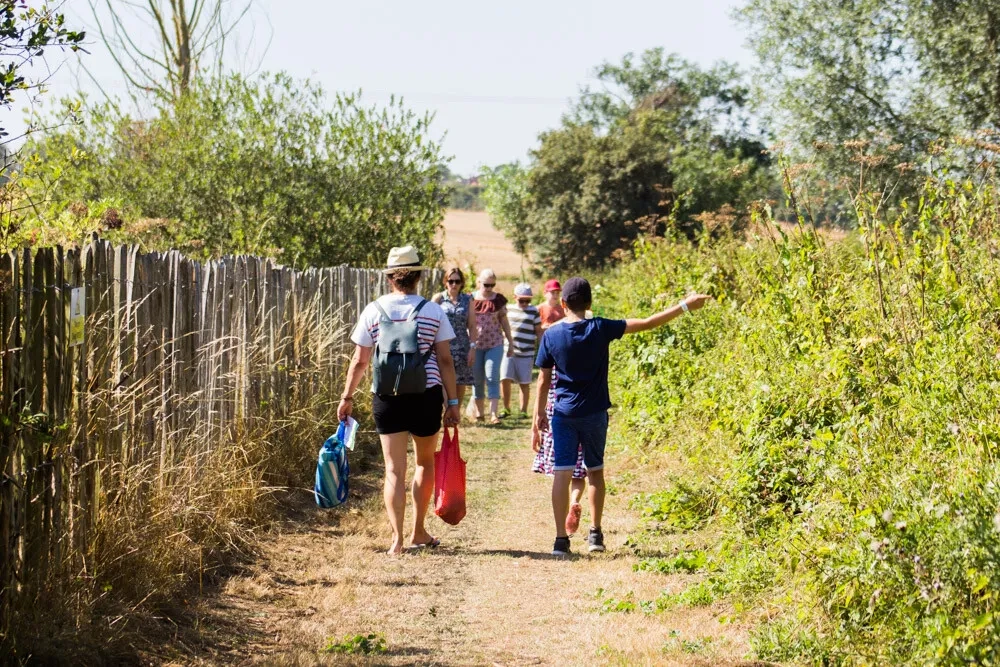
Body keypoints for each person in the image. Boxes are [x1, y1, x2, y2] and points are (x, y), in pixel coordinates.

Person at [534, 277, 711, 556]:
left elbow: (543, 381)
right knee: (594, 471)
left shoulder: (551, 336)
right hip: (594, 414)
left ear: (564, 303)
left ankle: (560, 541)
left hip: (563, 414)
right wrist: (685, 306)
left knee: (562, 473)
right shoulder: (601, 327)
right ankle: (595, 535)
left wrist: (538, 417)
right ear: (590, 303)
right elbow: (649, 322)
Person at [338, 246, 461, 556]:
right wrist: (454, 402)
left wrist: (347, 397)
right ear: (418, 276)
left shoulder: (373, 310)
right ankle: (418, 531)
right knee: (424, 462)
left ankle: (396, 541)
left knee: (393, 470)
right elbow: (445, 361)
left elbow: (359, 361)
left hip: (386, 397)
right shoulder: (433, 311)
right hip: (426, 395)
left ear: (390, 277)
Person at [531, 368, 587, 535]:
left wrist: (534, 427)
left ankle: (561, 529)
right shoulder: (584, 350)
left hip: (555, 413)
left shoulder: (552, 354)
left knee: (561, 472)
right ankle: (574, 501)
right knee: (579, 473)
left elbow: (542, 384)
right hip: (583, 410)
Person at [470, 268, 514, 425]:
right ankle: (480, 413)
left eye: (492, 285)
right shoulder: (470, 299)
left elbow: (504, 322)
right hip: (475, 345)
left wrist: (510, 342)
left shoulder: (498, 300)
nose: (489, 288)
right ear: (479, 282)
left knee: (492, 376)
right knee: (477, 378)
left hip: (494, 343)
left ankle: (493, 414)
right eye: (486, 284)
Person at [432, 266, 477, 412]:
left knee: (460, 382)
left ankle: (455, 412)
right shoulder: (438, 299)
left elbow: (472, 324)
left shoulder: (468, 299)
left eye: (457, 281)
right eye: (451, 281)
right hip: (442, 345)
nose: (454, 285)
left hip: (462, 345)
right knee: (441, 380)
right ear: (445, 282)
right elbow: (430, 321)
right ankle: (445, 411)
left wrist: (472, 347)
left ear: (461, 283)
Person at [500, 283, 541, 417]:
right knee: (505, 378)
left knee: (524, 382)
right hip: (508, 351)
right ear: (514, 297)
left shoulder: (534, 311)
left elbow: (539, 331)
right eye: (521, 300)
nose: (524, 303)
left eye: (527, 300)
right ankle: (506, 408)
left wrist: (542, 349)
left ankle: (523, 411)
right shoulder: (508, 309)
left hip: (526, 352)